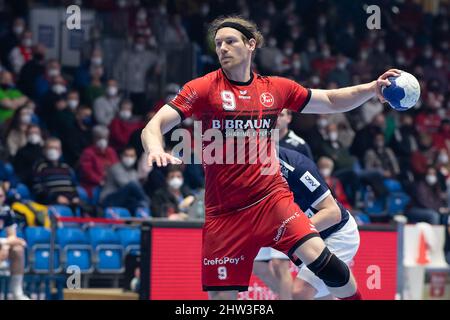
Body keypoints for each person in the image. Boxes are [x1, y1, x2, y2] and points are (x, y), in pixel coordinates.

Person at [141, 16, 397, 300]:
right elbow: (155, 124)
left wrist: (372, 88)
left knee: (324, 262)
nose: (222, 48)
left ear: (251, 45)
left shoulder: (275, 88)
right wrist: (154, 147)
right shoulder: (202, 88)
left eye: (230, 41)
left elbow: (332, 100)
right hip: (224, 213)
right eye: (218, 44)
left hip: (272, 200)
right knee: (221, 299)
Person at [253, 147, 359, 300]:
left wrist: (294, 231)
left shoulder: (296, 165)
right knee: (320, 295)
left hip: (336, 233)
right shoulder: (246, 171)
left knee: (299, 293)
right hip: (302, 237)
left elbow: (333, 213)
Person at [99, 147, 150, 215]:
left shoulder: (134, 172)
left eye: (131, 156)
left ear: (135, 157)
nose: (129, 158)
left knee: (139, 204)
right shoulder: (115, 168)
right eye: (126, 155)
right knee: (133, 186)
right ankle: (148, 201)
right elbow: (126, 185)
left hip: (123, 201)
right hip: (109, 200)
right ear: (121, 156)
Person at [0, 185, 29, 300]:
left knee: (17, 249)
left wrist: (6, 245)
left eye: (1, 196)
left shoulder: (6, 211)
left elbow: (12, 236)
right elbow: (10, 239)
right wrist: (5, 243)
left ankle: (17, 292)